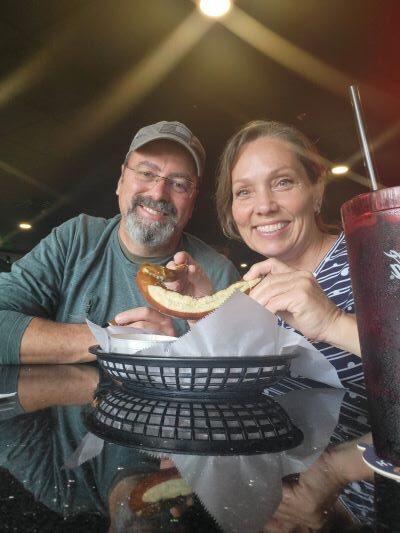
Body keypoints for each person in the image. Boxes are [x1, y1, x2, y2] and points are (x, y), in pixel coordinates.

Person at [0, 120, 239, 365]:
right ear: (121, 179)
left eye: (179, 184)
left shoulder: (218, 275)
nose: (158, 193)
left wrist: (173, 351)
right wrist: (112, 339)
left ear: (192, 201)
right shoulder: (75, 239)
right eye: (147, 173)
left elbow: (237, 377)